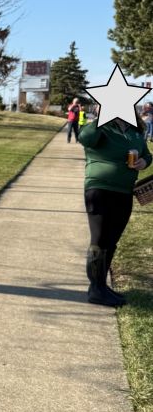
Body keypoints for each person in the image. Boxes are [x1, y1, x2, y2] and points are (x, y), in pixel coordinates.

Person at [78, 109, 151, 307]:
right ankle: (96, 289)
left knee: (112, 240)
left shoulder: (134, 130)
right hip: (99, 189)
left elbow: (146, 154)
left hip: (124, 191)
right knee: (99, 240)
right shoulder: (101, 127)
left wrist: (144, 161)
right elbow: (84, 138)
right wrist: (103, 117)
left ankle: (101, 286)